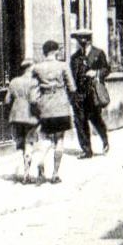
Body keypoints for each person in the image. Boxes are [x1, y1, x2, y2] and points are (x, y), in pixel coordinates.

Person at [31, 39, 77, 181]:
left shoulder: (37, 68)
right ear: (56, 51)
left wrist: (37, 104)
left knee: (45, 138)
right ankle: (55, 174)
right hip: (60, 105)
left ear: (44, 52)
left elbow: (33, 91)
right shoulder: (63, 66)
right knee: (59, 139)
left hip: (45, 106)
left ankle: (40, 161)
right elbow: (72, 87)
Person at [68, 28, 111, 158]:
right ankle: (87, 150)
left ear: (88, 39)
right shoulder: (74, 57)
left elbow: (107, 69)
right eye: (79, 39)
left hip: (92, 92)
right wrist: (71, 94)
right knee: (79, 121)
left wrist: (96, 73)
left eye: (84, 38)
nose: (81, 41)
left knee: (95, 119)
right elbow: (71, 76)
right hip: (79, 94)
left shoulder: (98, 53)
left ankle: (104, 140)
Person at [4, 55, 40, 183]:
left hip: (16, 116)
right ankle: (26, 174)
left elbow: (7, 100)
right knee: (29, 143)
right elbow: (34, 100)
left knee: (22, 143)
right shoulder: (34, 82)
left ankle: (26, 169)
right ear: (31, 68)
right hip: (30, 116)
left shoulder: (14, 81)